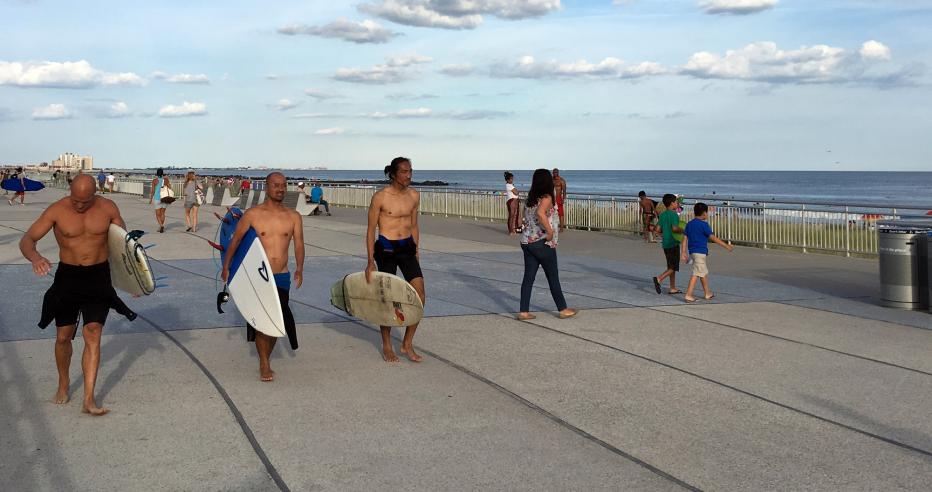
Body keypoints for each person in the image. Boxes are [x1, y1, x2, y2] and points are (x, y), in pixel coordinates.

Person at [20, 175, 137, 415]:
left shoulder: (108, 208)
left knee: (93, 333)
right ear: (70, 191)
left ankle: (89, 399)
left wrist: (132, 280)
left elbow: (123, 247)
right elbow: (27, 240)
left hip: (98, 277)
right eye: (75, 200)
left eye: (85, 201)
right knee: (63, 337)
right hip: (68, 278)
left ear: (95, 193)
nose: (80, 206)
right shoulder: (57, 210)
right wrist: (36, 258)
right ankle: (63, 384)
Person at [222, 172, 304, 382]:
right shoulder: (253, 215)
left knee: (276, 321)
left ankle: (266, 356)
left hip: (282, 276)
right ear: (267, 188)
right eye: (276, 185)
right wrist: (227, 266)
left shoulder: (293, 216)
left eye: (284, 185)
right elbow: (236, 241)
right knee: (261, 322)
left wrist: (300, 269)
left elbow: (299, 245)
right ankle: (264, 362)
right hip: (258, 276)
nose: (281, 189)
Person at [365, 157, 425, 363]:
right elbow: (371, 229)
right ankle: (387, 345)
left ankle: (407, 343)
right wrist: (370, 261)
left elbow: (414, 225)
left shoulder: (414, 195)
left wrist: (416, 252)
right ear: (393, 173)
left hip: (407, 248)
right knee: (387, 300)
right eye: (405, 172)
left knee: (420, 296)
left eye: (411, 171)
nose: (409, 175)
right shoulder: (380, 197)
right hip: (386, 248)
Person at [516, 169, 578, 321]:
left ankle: (523, 311)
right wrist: (549, 232)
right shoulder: (546, 197)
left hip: (527, 242)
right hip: (542, 243)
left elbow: (526, 218)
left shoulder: (530, 198)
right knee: (552, 276)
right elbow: (540, 213)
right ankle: (563, 309)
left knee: (528, 278)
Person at [681, 202, 734, 303]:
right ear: (704, 213)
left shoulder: (689, 224)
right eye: (707, 212)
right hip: (700, 252)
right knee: (696, 273)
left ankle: (707, 293)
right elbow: (713, 238)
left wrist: (683, 251)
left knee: (702, 272)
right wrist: (726, 246)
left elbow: (684, 238)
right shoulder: (704, 225)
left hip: (692, 252)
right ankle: (688, 294)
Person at [652, 194, 684, 295]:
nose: (677, 204)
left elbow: (656, 229)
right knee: (673, 267)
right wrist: (683, 230)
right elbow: (674, 228)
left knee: (671, 266)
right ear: (671, 204)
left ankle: (672, 288)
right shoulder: (673, 214)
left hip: (665, 243)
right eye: (676, 202)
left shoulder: (663, 215)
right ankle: (659, 278)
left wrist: (663, 234)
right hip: (673, 242)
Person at [148, 168, 173, 233]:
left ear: (157, 173)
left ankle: (161, 226)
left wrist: (150, 199)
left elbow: (153, 191)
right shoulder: (166, 180)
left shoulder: (154, 181)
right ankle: (161, 226)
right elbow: (170, 188)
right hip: (164, 198)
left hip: (157, 198)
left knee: (157, 214)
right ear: (162, 173)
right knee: (163, 213)